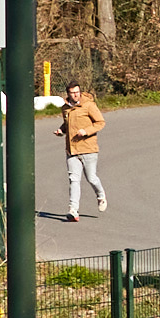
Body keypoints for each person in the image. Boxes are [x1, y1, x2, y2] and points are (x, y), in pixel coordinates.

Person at [60, 80, 108, 221]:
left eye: (77, 92)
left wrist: (86, 131)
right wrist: (61, 130)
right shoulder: (65, 108)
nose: (75, 95)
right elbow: (67, 123)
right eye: (72, 93)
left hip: (88, 148)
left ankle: (101, 196)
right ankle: (73, 210)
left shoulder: (89, 105)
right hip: (72, 150)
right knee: (73, 180)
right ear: (68, 94)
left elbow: (100, 122)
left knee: (91, 178)